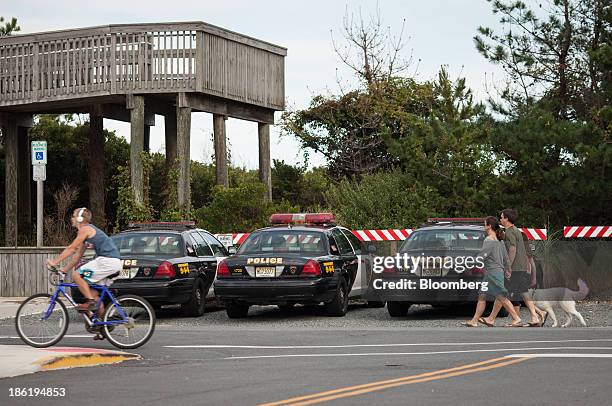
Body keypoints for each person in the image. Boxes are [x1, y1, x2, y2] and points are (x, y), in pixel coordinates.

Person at [46, 208, 121, 316]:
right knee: (93, 295)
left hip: (107, 260)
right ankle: (103, 327)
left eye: (73, 216)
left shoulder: (85, 229)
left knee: (77, 274)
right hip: (111, 263)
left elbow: (71, 248)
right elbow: (77, 257)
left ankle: (91, 302)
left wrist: (54, 261)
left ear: (80, 218)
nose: (72, 218)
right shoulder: (86, 233)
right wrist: (64, 270)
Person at [481, 209, 542, 327]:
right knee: (523, 292)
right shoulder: (517, 231)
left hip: (515, 268)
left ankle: (495, 319)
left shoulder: (509, 232)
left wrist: (508, 267)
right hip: (521, 267)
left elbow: (512, 249)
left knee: (502, 293)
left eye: (502, 217)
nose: (500, 219)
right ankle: (535, 316)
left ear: (507, 219)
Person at [462, 216, 523, 327]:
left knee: (501, 296)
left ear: (489, 226)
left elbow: (482, 256)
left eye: (485, 224)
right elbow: (505, 257)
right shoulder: (500, 240)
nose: (484, 227)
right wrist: (508, 269)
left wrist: (468, 266)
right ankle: (474, 320)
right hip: (494, 272)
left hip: (493, 273)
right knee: (482, 295)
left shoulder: (489, 240)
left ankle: (516, 318)